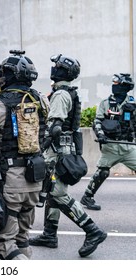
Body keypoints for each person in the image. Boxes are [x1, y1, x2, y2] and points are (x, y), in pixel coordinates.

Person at [0, 50, 48, 260]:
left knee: (4, 244)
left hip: (9, 182)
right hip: (36, 178)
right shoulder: (40, 101)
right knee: (22, 239)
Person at [29, 54, 107, 257]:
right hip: (64, 149)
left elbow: (55, 127)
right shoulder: (65, 92)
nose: (53, 68)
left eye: (56, 66)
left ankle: (93, 230)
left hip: (57, 152)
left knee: (57, 193)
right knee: (52, 191)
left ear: (61, 71)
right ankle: (49, 234)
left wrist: (40, 148)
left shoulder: (62, 94)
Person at [80, 73, 136, 210]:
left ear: (125, 87)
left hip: (128, 147)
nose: (114, 87)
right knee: (102, 172)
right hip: (110, 146)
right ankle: (87, 197)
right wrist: (100, 134)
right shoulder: (105, 103)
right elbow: (97, 121)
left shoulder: (133, 103)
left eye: (117, 84)